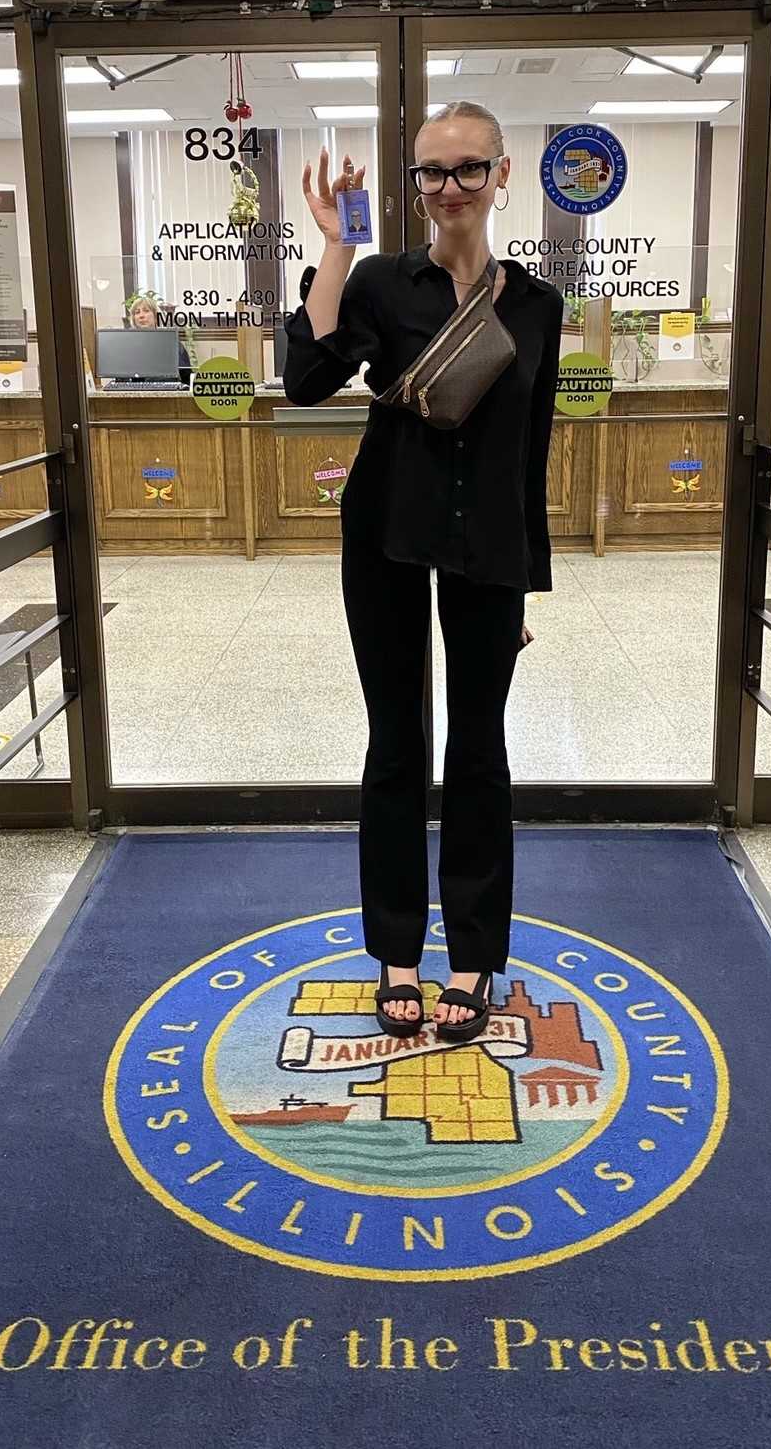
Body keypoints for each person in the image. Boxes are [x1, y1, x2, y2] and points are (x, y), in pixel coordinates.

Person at [283, 100, 563, 1041]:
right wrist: (330, 246)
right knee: (395, 744)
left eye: (467, 170)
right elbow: (307, 377)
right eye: (431, 173)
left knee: (479, 751)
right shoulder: (378, 284)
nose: (448, 190)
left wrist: (525, 579)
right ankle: (397, 953)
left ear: (501, 173)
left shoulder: (533, 306)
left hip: (487, 546)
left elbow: (532, 452)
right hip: (387, 537)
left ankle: (474, 957)